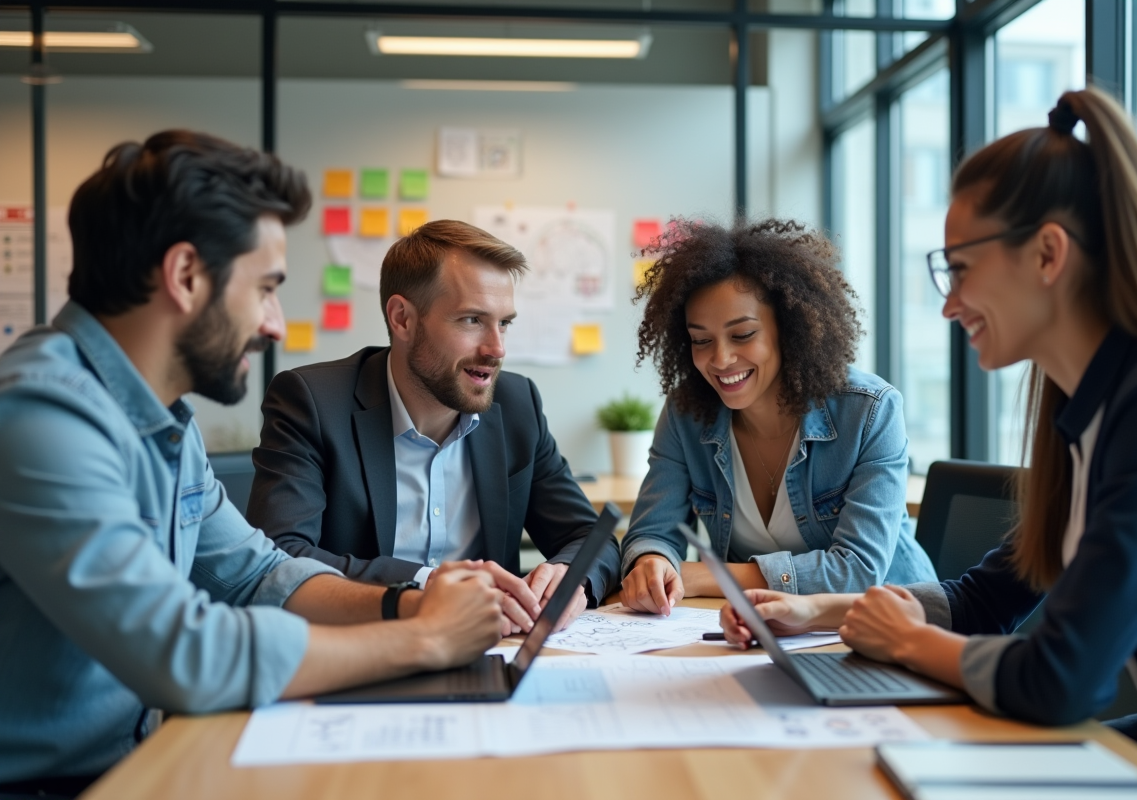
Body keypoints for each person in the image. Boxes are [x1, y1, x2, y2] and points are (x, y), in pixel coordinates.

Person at [0, 132, 506, 795]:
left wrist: (407, 606)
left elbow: (258, 576)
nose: (275, 324)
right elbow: (182, 652)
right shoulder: (40, 416)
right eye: (266, 288)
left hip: (132, 766)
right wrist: (427, 641)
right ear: (185, 276)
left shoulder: (161, 420)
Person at [718, 89, 1137, 778]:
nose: (948, 304)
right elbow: (986, 599)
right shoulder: (1089, 411)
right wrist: (821, 611)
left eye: (961, 268)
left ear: (1047, 255)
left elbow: (1065, 676)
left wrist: (911, 644)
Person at [247, 219, 620, 635]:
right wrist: (430, 585)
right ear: (402, 319)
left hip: (496, 651)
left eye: (505, 323)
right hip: (365, 648)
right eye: (471, 320)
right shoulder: (312, 401)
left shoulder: (517, 405)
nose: (497, 349)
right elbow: (280, 557)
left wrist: (572, 577)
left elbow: (591, 536)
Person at [619, 219, 936, 616]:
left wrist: (703, 575)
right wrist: (653, 561)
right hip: (762, 628)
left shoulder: (869, 410)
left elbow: (858, 572)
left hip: (888, 626)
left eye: (743, 335)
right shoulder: (687, 414)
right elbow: (652, 531)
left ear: (787, 329)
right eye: (701, 340)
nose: (720, 359)